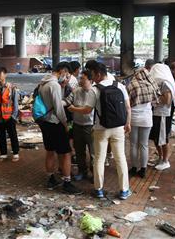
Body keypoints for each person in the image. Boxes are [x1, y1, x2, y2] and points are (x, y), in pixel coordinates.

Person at [70, 62, 132, 200]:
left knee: (99, 159)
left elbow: (87, 110)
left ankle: (99, 190)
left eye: (92, 74)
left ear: (98, 74)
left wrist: (73, 109)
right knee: (120, 158)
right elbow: (128, 107)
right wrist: (128, 123)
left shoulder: (95, 89)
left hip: (101, 129)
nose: (92, 77)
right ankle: (124, 190)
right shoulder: (120, 86)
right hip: (118, 128)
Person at [37, 62, 82, 194]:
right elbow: (58, 108)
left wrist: (62, 87)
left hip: (44, 122)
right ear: (62, 71)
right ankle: (67, 183)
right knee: (66, 153)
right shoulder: (54, 85)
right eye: (66, 73)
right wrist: (65, 124)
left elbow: (50, 102)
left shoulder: (43, 83)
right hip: (55, 123)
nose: (67, 76)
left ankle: (50, 179)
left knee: (50, 151)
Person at [127, 67, 160, 178]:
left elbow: (127, 104)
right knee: (144, 145)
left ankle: (134, 167)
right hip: (146, 119)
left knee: (133, 144)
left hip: (133, 118)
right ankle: (143, 169)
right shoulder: (150, 85)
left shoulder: (131, 85)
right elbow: (156, 103)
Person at [65, 70, 95, 182]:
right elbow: (67, 101)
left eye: (83, 79)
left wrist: (73, 109)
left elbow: (87, 110)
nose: (80, 80)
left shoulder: (95, 92)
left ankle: (95, 173)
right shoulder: (76, 91)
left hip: (91, 126)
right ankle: (82, 171)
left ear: (91, 80)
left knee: (93, 152)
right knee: (79, 151)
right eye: (80, 78)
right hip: (77, 125)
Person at [149, 63, 175, 171]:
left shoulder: (165, 83)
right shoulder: (158, 82)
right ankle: (160, 157)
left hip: (162, 115)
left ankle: (165, 160)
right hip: (156, 113)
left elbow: (167, 100)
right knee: (156, 138)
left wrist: (155, 97)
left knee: (163, 138)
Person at [0, 67, 20, 162]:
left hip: (9, 117)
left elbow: (15, 103)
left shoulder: (11, 87)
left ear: (5, 75)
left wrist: (14, 117)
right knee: (0, 136)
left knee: (13, 135)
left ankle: (15, 153)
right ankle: (3, 153)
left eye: (0, 74)